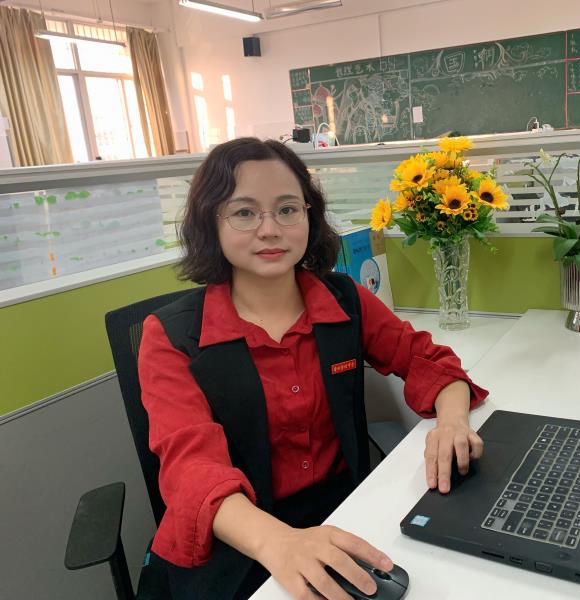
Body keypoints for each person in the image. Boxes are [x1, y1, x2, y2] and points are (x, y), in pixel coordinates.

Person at [136, 137, 488, 600]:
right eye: (244, 212)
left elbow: (429, 360)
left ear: (309, 215)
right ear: (210, 222)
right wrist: (281, 543)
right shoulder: (172, 336)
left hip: (343, 511)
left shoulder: (343, 300)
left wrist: (452, 423)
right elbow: (191, 471)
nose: (270, 230)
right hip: (236, 537)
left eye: (287, 209)